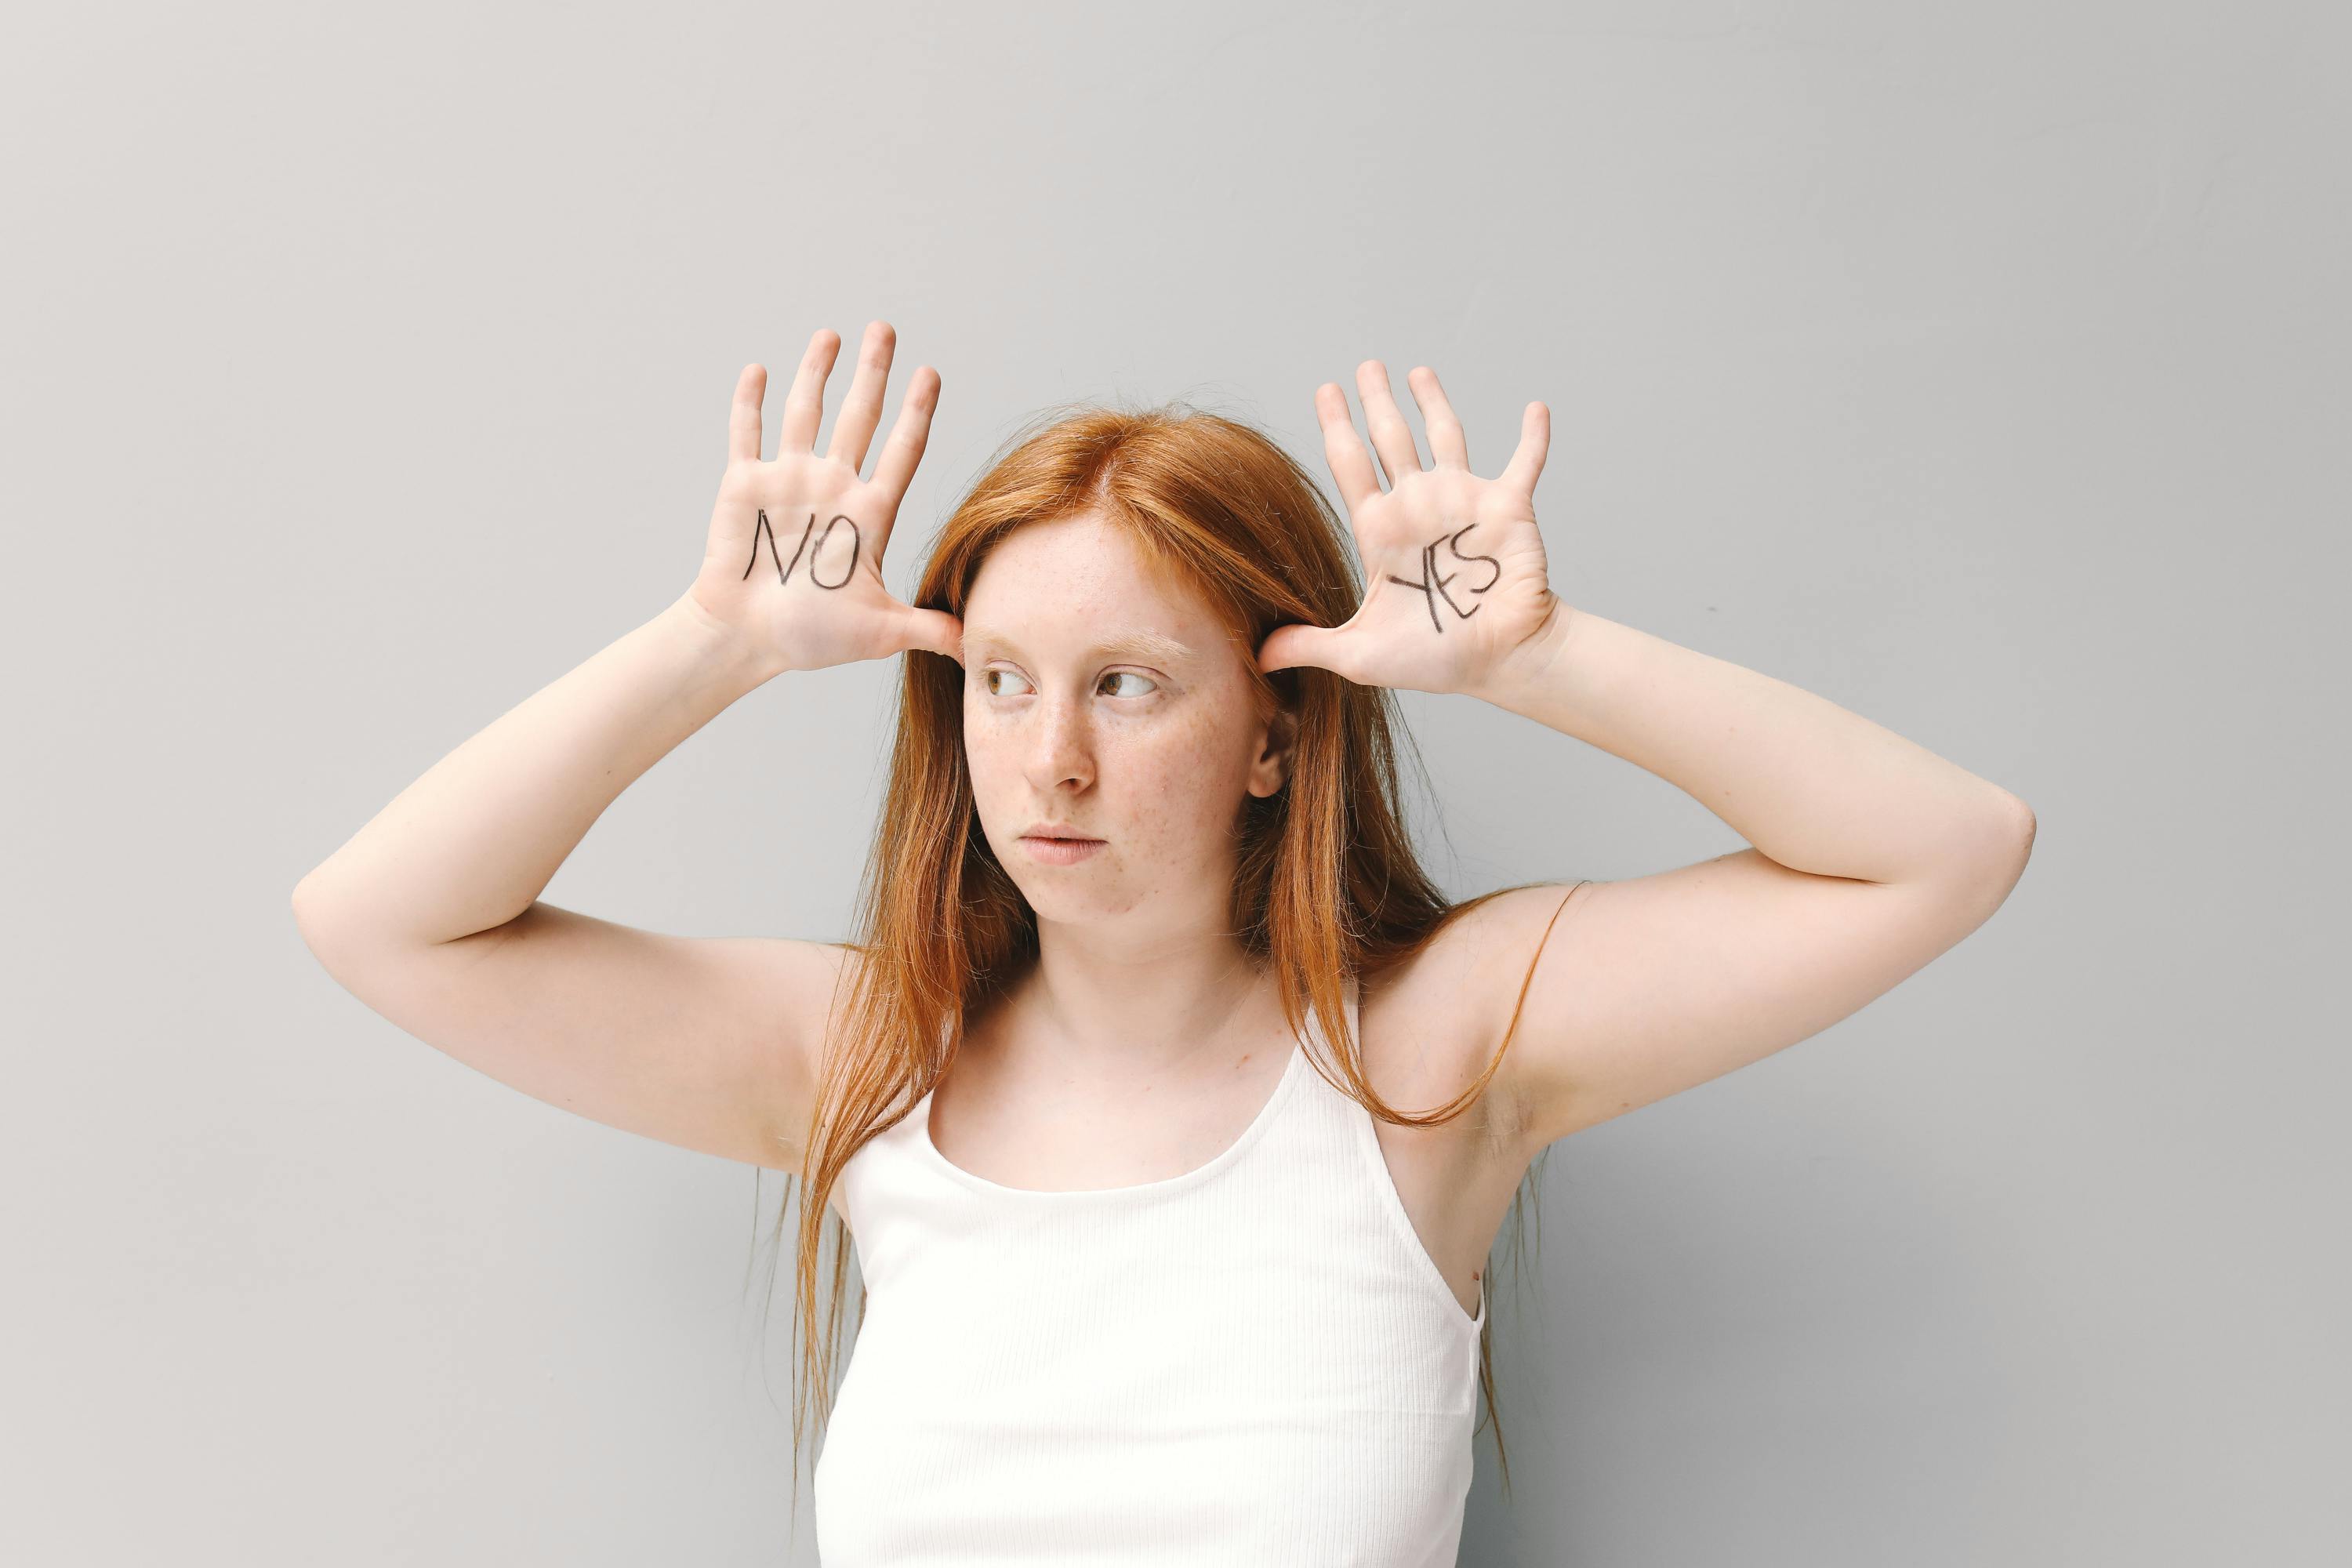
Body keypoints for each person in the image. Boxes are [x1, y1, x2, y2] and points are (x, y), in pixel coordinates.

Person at [291, 321, 2035, 1565]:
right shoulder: (871, 1064)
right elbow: (381, 919)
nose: (1050, 759)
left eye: (1128, 686)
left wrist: (1541, 657)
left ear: (1276, 737)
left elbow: (1944, 852)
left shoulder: (1427, 1056)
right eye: (1000, 682)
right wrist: (713, 646)